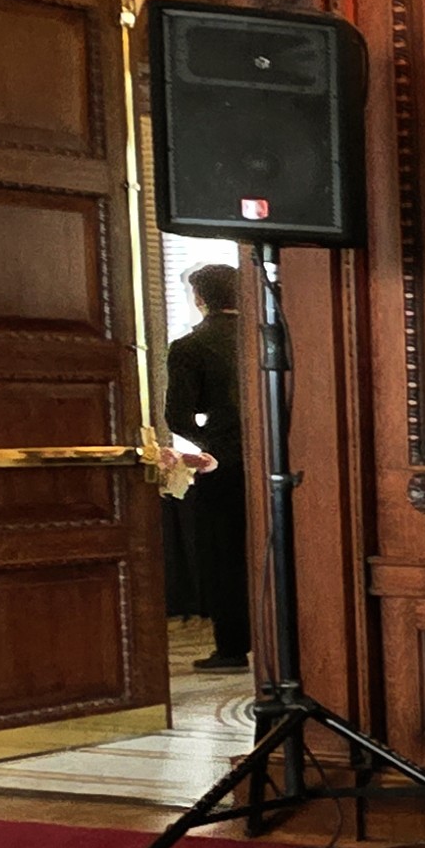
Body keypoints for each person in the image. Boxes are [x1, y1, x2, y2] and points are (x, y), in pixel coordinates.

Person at [166, 262, 249, 670]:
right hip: (280, 456)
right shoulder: (266, 339)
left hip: (223, 464)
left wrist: (212, 445)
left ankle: (231, 647)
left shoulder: (190, 347)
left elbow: (177, 417)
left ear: (199, 299)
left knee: (224, 553)